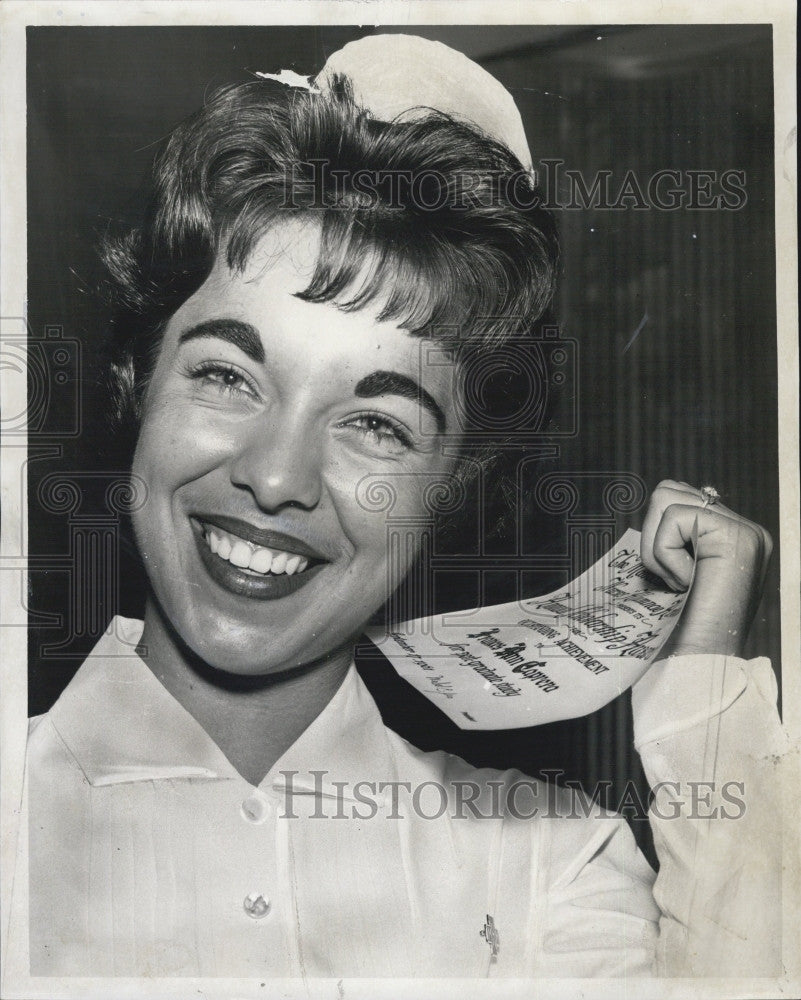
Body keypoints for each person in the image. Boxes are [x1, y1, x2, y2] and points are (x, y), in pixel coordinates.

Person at [9, 34, 786, 981]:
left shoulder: (546, 862)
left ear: (448, 488)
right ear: (140, 383)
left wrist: (705, 693)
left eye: (376, 424)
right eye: (227, 374)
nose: (278, 476)